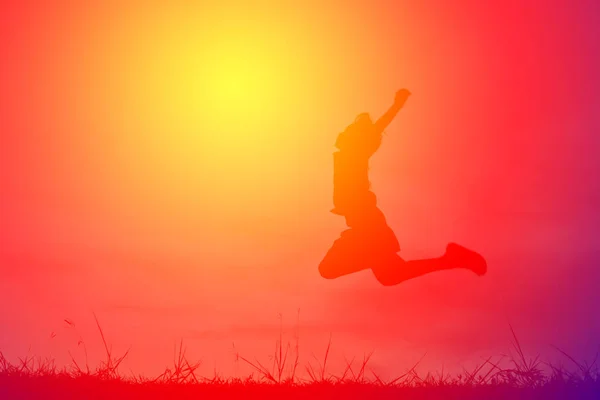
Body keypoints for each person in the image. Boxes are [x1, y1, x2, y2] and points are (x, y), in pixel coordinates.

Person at [319, 89, 487, 286]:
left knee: (328, 269)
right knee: (391, 275)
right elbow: (373, 131)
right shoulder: (347, 154)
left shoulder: (355, 153)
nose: (343, 132)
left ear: (356, 137)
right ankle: (451, 259)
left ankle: (369, 252)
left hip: (365, 224)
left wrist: (396, 106)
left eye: (349, 130)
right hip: (364, 224)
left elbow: (376, 129)